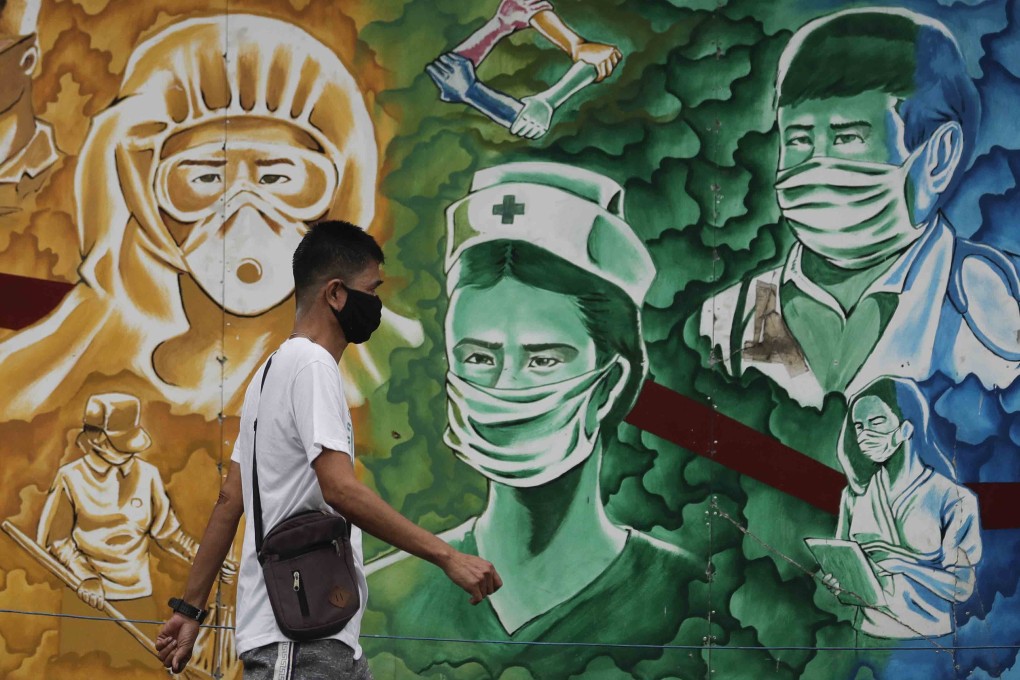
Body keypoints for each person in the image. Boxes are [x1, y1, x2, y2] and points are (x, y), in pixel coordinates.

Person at [0, 14, 422, 422]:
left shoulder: (398, 366)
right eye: (204, 177)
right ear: (145, 196)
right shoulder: (53, 369)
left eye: (278, 176)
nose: (243, 211)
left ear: (341, 188)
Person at [364, 163, 697, 678]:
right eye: (478, 358)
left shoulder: (686, 595)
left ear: (609, 383)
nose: (505, 388)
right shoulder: (385, 597)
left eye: (543, 359)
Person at [155, 221, 501, 679]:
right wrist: (449, 556)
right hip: (299, 639)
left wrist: (189, 610)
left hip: (315, 632)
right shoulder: (313, 366)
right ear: (336, 293)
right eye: (371, 289)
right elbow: (339, 489)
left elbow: (229, 502)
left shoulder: (268, 374)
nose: (376, 304)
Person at [699, 8, 1020, 409]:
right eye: (797, 140)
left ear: (938, 157)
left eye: (847, 138)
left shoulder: (999, 310)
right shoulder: (726, 320)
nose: (816, 167)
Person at [35, 392, 200, 664]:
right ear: (98, 439)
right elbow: (56, 540)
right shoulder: (70, 478)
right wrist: (85, 577)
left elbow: (168, 533)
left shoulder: (147, 476)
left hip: (137, 601)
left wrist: (202, 555)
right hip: (85, 604)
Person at [821, 376, 981, 640]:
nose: (864, 435)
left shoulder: (953, 499)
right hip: (868, 635)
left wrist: (902, 564)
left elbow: (962, 587)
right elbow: (843, 567)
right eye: (858, 426)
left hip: (933, 642)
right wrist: (839, 585)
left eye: (876, 422)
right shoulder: (854, 496)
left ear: (907, 428)